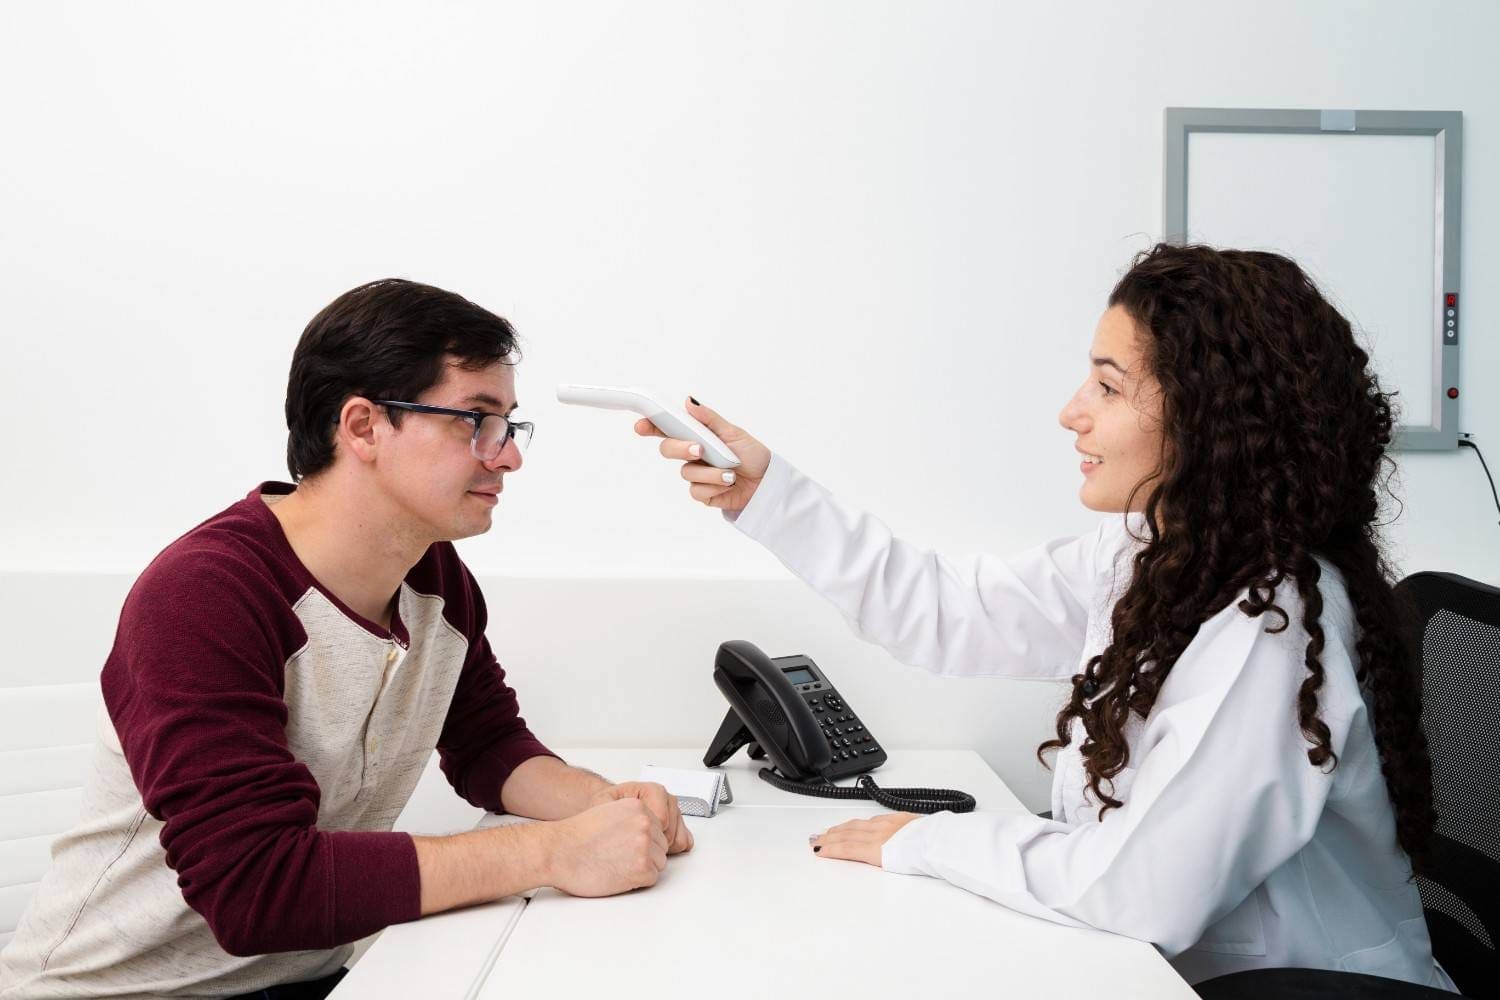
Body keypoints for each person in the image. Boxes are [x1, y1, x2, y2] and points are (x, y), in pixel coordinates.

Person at [634, 244, 1455, 991]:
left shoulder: (1266, 624)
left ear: (1209, 417)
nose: (1072, 412)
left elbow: (1144, 892)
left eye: (1107, 385)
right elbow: (942, 608)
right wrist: (767, 493)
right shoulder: (1145, 557)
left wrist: (926, 841)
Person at [0, 279, 692, 1000]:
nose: (507, 457)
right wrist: (550, 852)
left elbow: (486, 744)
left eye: (509, 427)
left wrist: (606, 806)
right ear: (361, 427)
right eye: (475, 422)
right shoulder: (205, 595)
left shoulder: (436, 581)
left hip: (312, 977)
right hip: (110, 993)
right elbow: (256, 889)